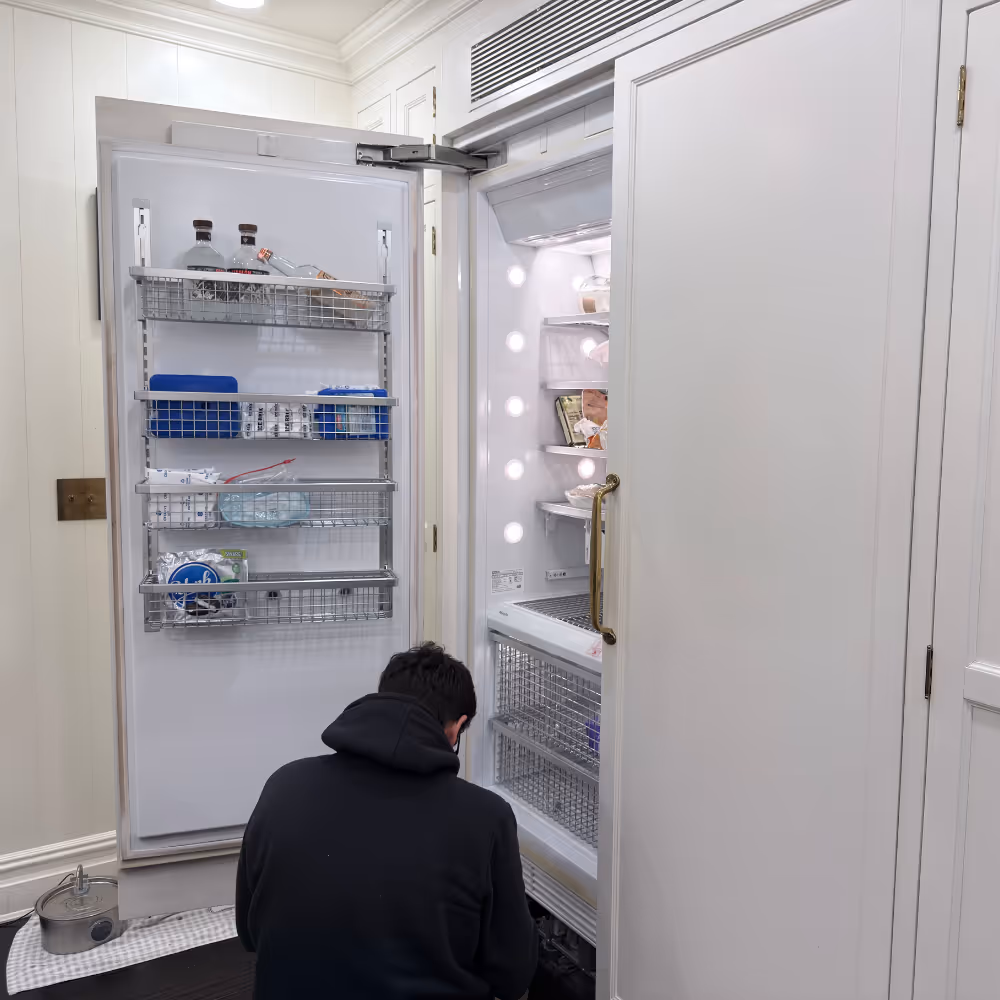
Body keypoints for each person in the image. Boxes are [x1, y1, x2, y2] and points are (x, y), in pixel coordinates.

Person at [235, 642, 537, 1000]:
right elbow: (513, 975)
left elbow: (250, 933)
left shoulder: (285, 784)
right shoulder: (486, 817)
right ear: (456, 730)